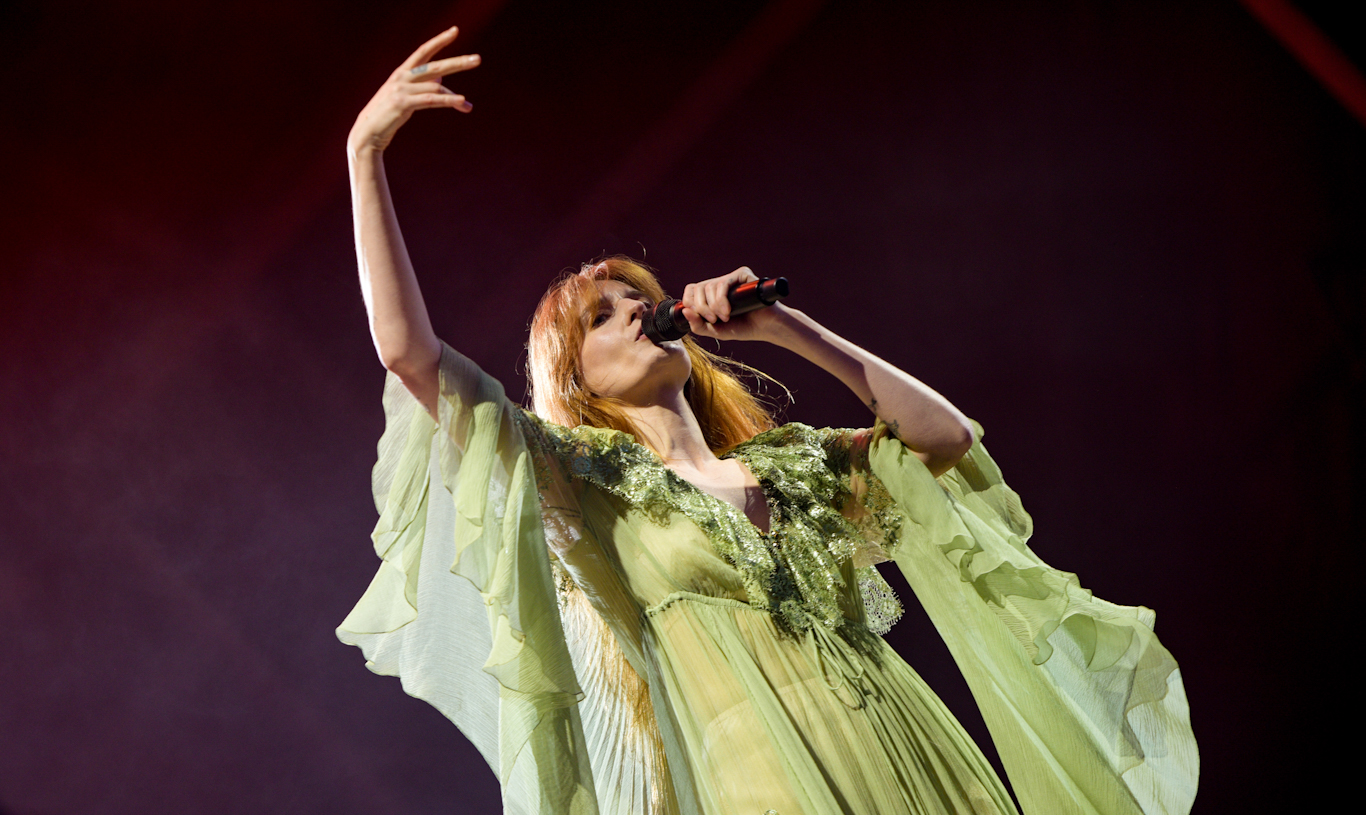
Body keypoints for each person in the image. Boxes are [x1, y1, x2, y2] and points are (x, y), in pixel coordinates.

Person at [337, 28, 1199, 815]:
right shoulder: (579, 479)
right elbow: (412, 356)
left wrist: (791, 330)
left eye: (641, 299)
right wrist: (363, 153)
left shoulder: (789, 465)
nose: (639, 313)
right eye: (602, 316)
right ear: (572, 376)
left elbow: (945, 441)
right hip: (761, 785)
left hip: (907, 753)